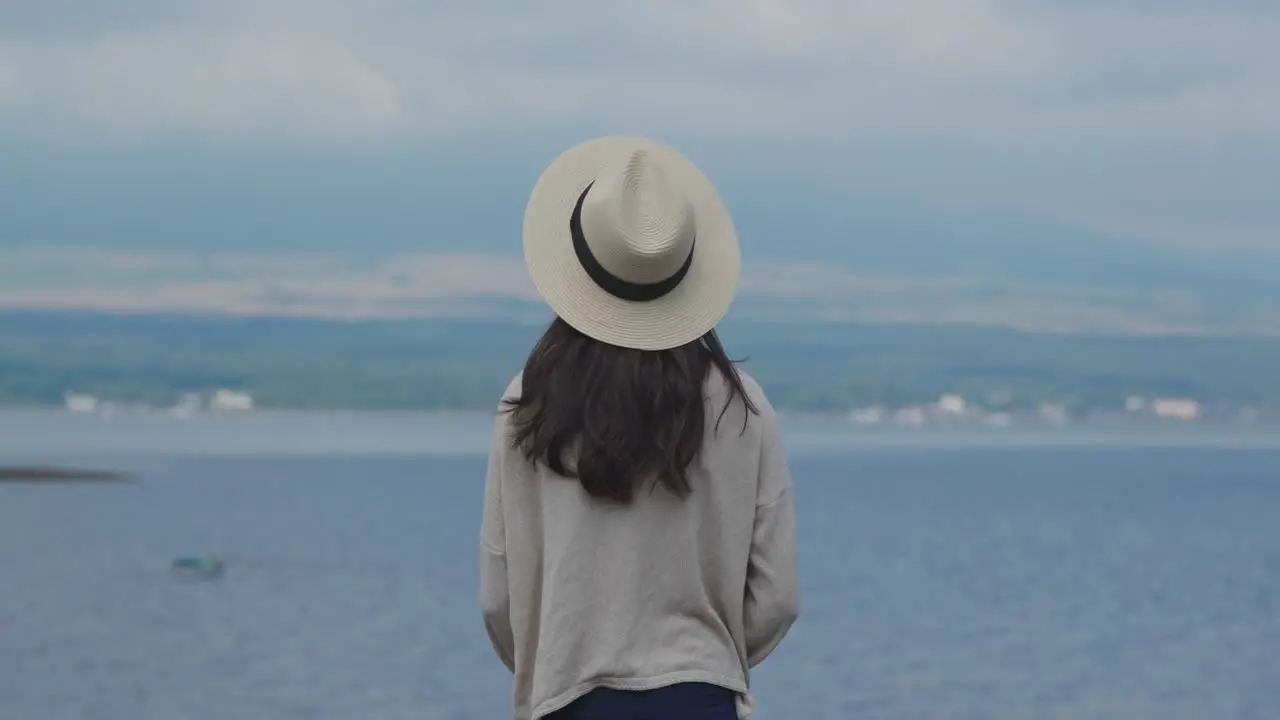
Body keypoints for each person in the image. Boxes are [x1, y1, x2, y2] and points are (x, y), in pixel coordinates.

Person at [479, 136, 800, 720]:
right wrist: (708, 660)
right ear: (685, 271)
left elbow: (500, 598)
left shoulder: (527, 404)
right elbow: (777, 598)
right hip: (701, 697)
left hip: (568, 696)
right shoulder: (742, 407)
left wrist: (552, 656)